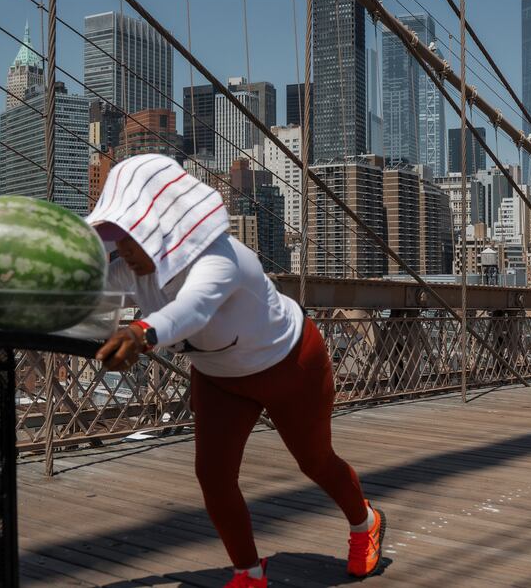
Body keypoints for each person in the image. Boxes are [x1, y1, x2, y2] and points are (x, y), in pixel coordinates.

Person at [88, 154, 385, 587]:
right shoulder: (134, 269)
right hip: (219, 378)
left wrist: (141, 332)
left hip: (291, 367)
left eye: (131, 236)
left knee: (315, 462)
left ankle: (365, 522)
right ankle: (249, 572)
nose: (123, 249)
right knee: (213, 476)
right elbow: (84, 286)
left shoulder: (222, 258)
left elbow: (193, 309)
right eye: (118, 236)